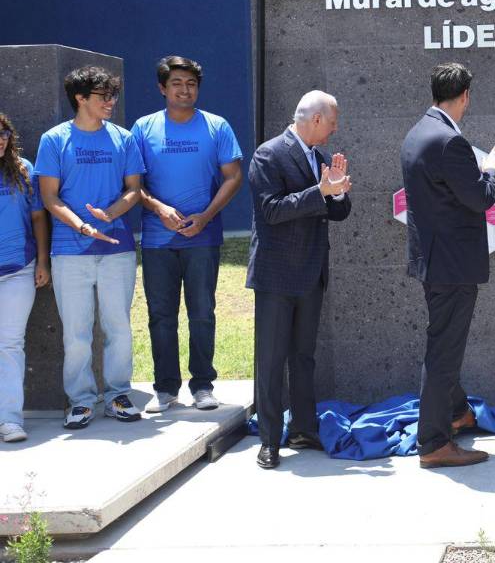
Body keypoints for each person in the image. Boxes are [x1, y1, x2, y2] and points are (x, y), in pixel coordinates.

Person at [400, 63, 495, 469]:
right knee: (443, 351)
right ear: (464, 96)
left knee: (442, 343)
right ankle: (433, 442)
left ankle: (458, 411)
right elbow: (480, 198)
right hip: (452, 265)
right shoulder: (450, 142)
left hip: (433, 261)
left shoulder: (418, 133)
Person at [35, 66, 145, 429]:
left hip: (118, 248)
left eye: (112, 95)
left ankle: (117, 395)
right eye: (103, 96)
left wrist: (110, 213)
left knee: (119, 327)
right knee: (77, 332)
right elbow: (50, 198)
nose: (111, 102)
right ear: (80, 98)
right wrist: (83, 225)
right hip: (69, 250)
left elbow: (133, 189)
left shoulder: (124, 138)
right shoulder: (54, 140)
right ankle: (80, 401)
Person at [132, 56, 244, 413]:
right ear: (162, 88)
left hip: (202, 238)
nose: (185, 89)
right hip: (157, 240)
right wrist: (159, 209)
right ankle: (165, 389)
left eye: (191, 84)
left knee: (202, 313)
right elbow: (133, 185)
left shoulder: (217, 126)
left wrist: (206, 215)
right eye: (177, 83)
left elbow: (233, 177)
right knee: (161, 316)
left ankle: (203, 385)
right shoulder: (143, 128)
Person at [247, 90, 351, 469]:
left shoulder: (320, 158)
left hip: (311, 273)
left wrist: (337, 193)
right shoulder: (269, 154)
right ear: (316, 119)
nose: (335, 130)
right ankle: (270, 441)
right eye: (333, 122)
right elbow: (271, 210)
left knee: (303, 357)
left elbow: (336, 213)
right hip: (277, 276)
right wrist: (320, 191)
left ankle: (304, 428)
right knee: (272, 360)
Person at [0, 114, 51, 442]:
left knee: (10, 345)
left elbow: (37, 218)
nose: (0, 140)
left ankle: (9, 419)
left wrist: (43, 261)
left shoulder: (23, 170)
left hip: (17, 271)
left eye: (3, 133)